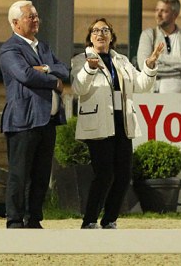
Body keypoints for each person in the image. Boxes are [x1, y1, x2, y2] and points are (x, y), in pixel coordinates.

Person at [71, 18, 163, 229]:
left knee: (123, 175)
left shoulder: (120, 60)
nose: (100, 34)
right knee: (103, 175)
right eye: (96, 30)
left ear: (111, 36)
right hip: (99, 123)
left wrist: (149, 66)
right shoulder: (80, 60)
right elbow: (78, 88)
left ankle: (110, 219)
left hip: (122, 123)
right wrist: (89, 69)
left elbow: (141, 85)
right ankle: (90, 220)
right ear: (90, 37)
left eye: (105, 30)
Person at [0, 1, 69, 229]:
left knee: (41, 175)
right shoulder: (10, 49)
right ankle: (15, 220)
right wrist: (54, 82)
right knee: (19, 174)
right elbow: (25, 75)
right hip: (24, 120)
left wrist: (47, 70)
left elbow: (64, 70)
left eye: (37, 15)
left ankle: (34, 218)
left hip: (47, 120)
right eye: (30, 16)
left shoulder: (44, 47)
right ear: (16, 23)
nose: (36, 19)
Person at [137, 0, 181, 93]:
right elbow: (144, 66)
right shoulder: (148, 35)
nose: (158, 14)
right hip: (155, 100)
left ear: (175, 15)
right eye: (157, 10)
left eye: (164, 11)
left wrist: (159, 58)